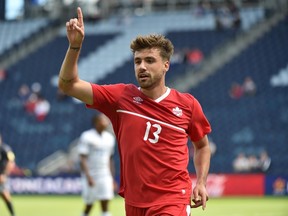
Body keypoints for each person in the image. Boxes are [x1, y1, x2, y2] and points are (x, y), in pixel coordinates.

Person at [59, 7, 211, 216]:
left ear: (166, 65)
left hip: (172, 199)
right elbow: (68, 85)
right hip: (134, 202)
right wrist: (74, 47)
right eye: (137, 61)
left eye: (149, 61)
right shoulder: (120, 97)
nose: (141, 67)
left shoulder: (187, 105)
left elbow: (202, 146)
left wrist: (201, 182)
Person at [78, 113, 116, 216]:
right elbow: (82, 158)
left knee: (105, 201)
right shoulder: (87, 136)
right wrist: (88, 176)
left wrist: (111, 178)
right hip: (91, 174)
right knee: (89, 203)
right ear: (96, 122)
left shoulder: (110, 138)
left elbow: (110, 159)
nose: (106, 122)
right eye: (103, 120)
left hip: (104, 174)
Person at [0, 134, 16, 216]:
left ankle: (13, 214)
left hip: (1, 177)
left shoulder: (5, 149)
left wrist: (4, 174)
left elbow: (11, 163)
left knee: (5, 195)